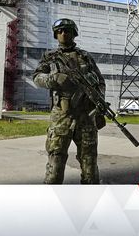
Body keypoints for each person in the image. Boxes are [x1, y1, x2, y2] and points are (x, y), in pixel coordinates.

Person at [32, 18, 106, 184]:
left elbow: (100, 82)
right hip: (61, 116)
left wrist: (99, 105)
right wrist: (53, 78)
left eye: (67, 30)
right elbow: (36, 77)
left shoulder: (85, 56)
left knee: (89, 162)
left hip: (86, 116)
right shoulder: (50, 57)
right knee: (56, 158)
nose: (63, 34)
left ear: (74, 33)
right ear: (55, 35)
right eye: (60, 31)